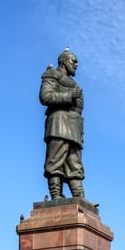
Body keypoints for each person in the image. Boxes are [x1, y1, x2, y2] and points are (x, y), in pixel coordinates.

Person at [39, 48, 85, 200]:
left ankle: (79, 197)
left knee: (74, 164)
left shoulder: (73, 83)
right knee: (55, 161)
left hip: (74, 126)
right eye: (74, 61)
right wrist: (70, 95)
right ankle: (56, 196)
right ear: (64, 61)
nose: (76, 64)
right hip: (59, 123)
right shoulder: (52, 75)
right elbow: (46, 97)